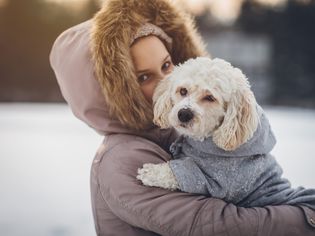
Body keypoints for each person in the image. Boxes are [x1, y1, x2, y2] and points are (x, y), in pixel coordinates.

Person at [50, 0, 315, 235]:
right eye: (144, 77)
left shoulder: (186, 131)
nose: (168, 80)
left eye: (167, 64)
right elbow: (221, 225)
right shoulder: (120, 160)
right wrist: (306, 217)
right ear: (113, 92)